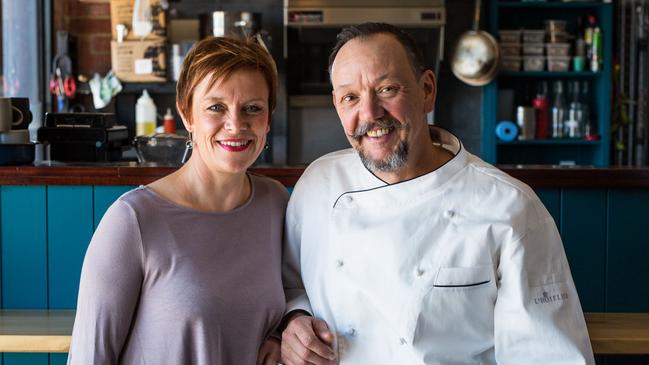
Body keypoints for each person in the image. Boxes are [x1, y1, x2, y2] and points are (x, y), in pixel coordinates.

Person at [281, 22, 595, 365]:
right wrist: (294, 321)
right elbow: (291, 286)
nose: (369, 114)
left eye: (387, 89)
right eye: (350, 97)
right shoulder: (318, 186)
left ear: (427, 90)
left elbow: (547, 356)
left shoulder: (511, 208)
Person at [67, 36, 286, 365]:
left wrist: (280, 334)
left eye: (252, 108)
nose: (236, 124)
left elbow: (296, 301)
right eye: (216, 107)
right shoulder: (133, 221)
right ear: (187, 115)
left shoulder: (277, 204)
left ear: (268, 119)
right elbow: (89, 358)